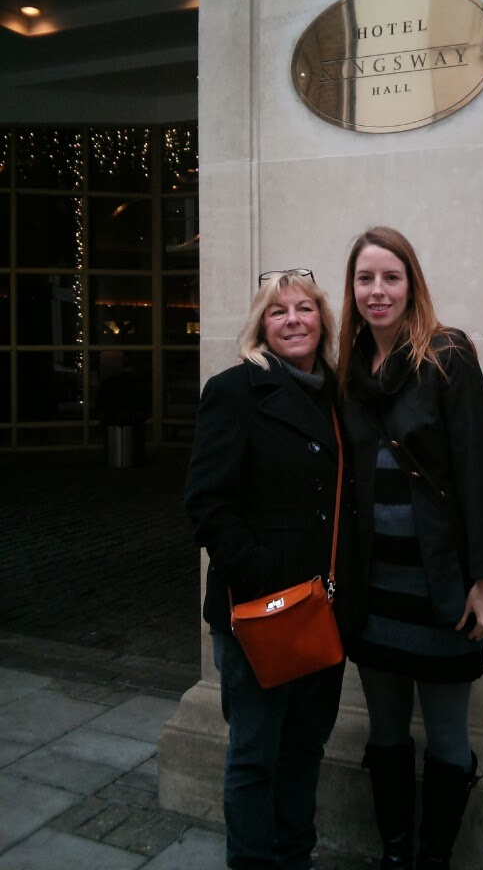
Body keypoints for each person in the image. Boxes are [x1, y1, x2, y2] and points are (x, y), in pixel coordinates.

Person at [337, 227, 483, 870]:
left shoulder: (448, 357)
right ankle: (394, 853)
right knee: (384, 731)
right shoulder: (348, 369)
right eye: (365, 279)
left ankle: (433, 858)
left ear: (412, 284)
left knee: (447, 737)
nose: (377, 290)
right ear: (352, 290)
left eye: (391, 277)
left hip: (442, 589)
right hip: (375, 591)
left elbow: (477, 474)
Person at [185, 268, 348, 870]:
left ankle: (294, 858)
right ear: (261, 326)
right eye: (278, 312)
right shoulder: (234, 390)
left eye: (304, 308)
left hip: (320, 612)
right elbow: (207, 502)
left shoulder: (336, 396)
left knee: (305, 749)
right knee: (255, 757)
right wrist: (262, 574)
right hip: (261, 613)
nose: (293, 320)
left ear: (322, 320)